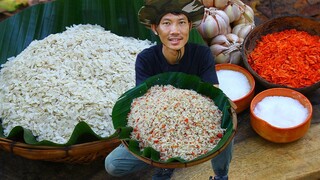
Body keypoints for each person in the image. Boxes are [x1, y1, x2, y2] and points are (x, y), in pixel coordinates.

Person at [105, 0, 234, 179]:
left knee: (228, 128)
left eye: (181, 22)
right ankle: (164, 165)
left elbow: (213, 96)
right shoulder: (145, 59)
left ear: (189, 26)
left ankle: (221, 175)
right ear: (154, 28)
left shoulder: (202, 54)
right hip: (159, 134)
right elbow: (143, 104)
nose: (175, 31)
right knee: (113, 165)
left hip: (197, 130)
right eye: (166, 23)